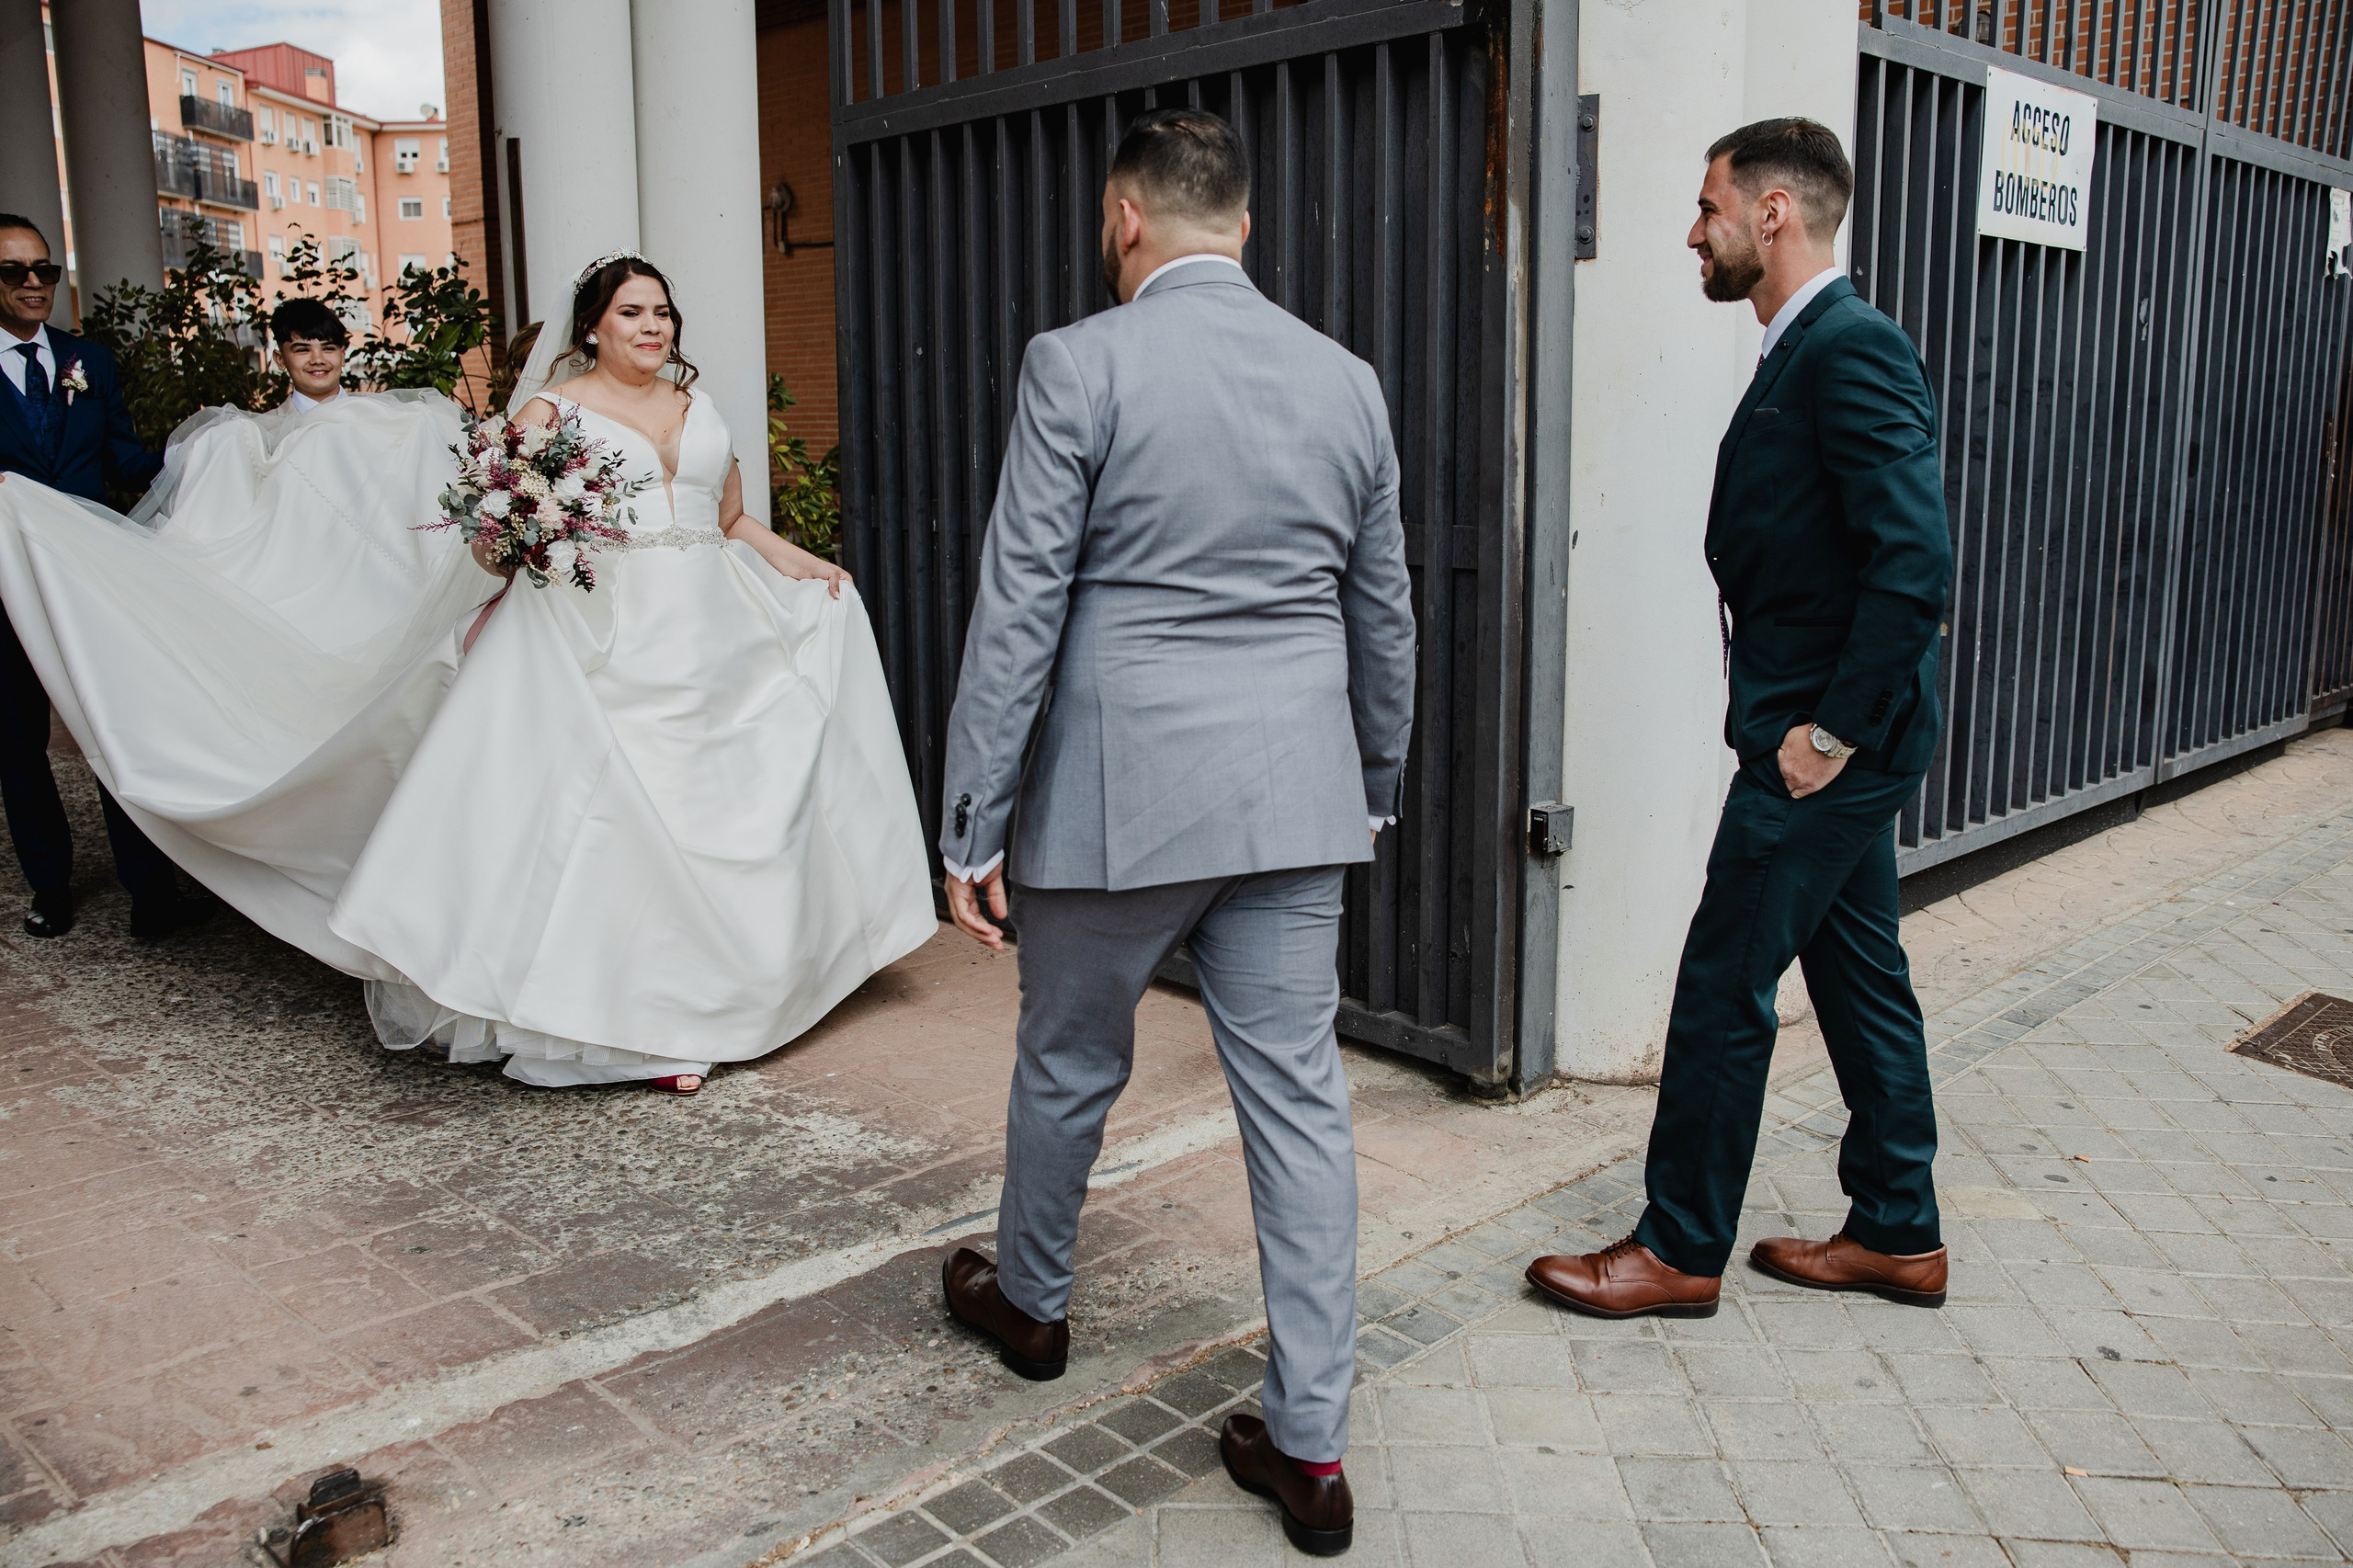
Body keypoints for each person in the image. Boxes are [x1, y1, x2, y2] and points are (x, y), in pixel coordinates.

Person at [932, 109, 1415, 1557]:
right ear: (1246, 228)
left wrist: (973, 819)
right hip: (1295, 796)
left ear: (1121, 216)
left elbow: (1020, 602)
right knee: (1301, 1102)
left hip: (1114, 801)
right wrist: (1370, 778)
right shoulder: (1348, 383)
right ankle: (1314, 1446)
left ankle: (1031, 1304)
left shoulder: (1080, 362)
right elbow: (1380, 613)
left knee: (1073, 1060)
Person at [1526, 119, 1953, 1320]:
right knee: (1862, 974)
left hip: (1825, 749)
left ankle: (1680, 1245)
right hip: (1839, 739)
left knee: (1724, 982)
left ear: (1773, 213)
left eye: (1708, 204)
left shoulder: (1849, 349)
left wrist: (1828, 736)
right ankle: (1898, 1229)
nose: (1692, 229)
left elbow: (1914, 562)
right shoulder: (1805, 346)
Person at [328, 253, 936, 1095]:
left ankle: (745, 986)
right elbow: (488, 541)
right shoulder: (551, 412)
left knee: (736, 795)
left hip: (714, 621)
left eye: (663, 314)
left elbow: (724, 516)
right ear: (593, 327)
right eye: (632, 313)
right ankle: (633, 1025)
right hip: (607, 622)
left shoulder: (697, 404)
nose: (653, 328)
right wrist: (522, 530)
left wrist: (800, 561)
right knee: (623, 816)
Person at [0, 212, 209, 942]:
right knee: (17, 741)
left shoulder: (89, 360)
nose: (34, 284)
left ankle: (150, 893)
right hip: (5, 588)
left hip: (90, 578)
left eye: (45, 270)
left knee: (114, 727)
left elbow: (123, 460)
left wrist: (203, 463)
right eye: (15, 272)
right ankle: (49, 886)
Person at [269, 296, 350, 410]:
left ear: (342, 355)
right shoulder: (262, 427)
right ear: (280, 360)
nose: (318, 360)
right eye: (303, 350)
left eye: (328, 349)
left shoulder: (379, 417)